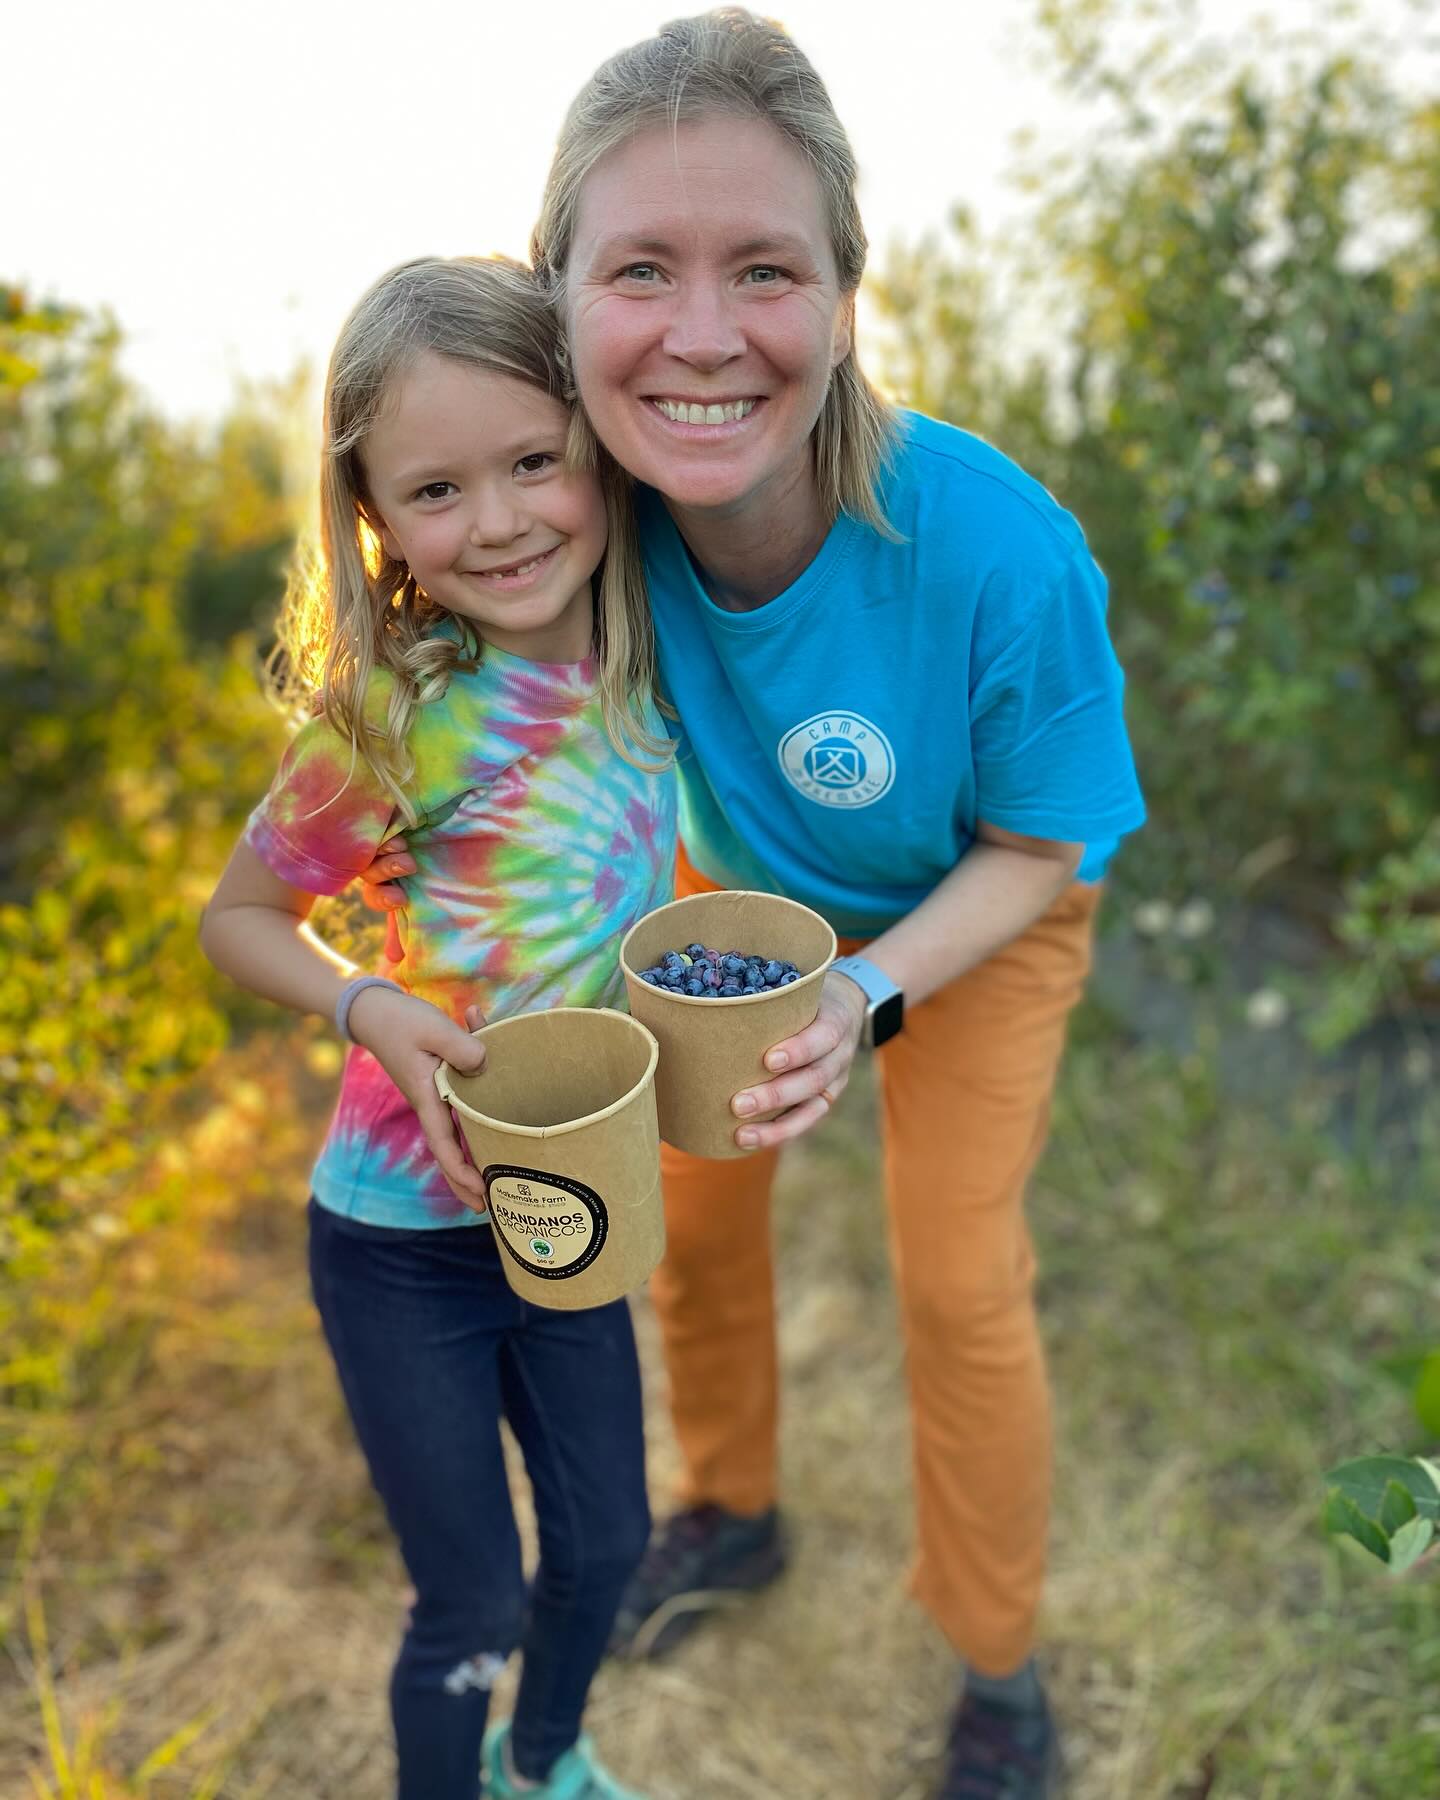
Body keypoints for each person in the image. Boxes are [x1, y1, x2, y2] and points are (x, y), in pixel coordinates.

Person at [360, 14, 1147, 1795]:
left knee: (957, 1278)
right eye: (640, 268)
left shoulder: (997, 549)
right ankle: (731, 1505)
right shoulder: (575, 517)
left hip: (980, 908)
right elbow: (454, 690)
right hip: (730, 896)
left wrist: (865, 995)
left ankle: (1000, 1668)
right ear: (556, 299)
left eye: (766, 270)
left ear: (849, 295)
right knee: (689, 1229)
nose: (703, 334)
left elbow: (1044, 845)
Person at [200, 255, 674, 1800]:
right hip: (402, 1236)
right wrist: (369, 998)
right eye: (437, 490)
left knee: (609, 1537)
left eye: (536, 461)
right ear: (375, 521)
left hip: (566, 1207)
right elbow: (241, 917)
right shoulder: (403, 717)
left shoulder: (660, 655)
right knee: (468, 1600)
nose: (500, 520)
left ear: (599, 442)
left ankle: (544, 1757)